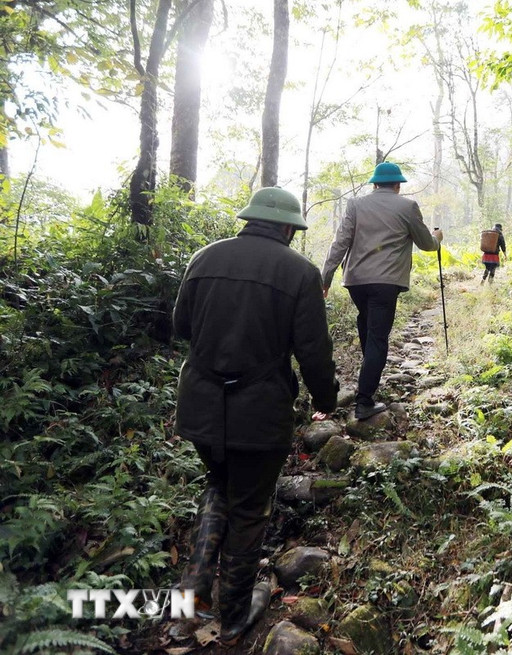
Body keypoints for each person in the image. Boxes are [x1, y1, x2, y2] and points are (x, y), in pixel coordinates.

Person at [173, 187, 339, 645]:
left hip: (201, 410)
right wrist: (327, 397)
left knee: (219, 482)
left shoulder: (203, 258)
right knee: (249, 507)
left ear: (249, 220)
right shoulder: (300, 272)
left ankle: (190, 596)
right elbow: (313, 353)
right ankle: (233, 617)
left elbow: (181, 328)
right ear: (288, 228)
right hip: (259, 415)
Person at [321, 161, 442, 420]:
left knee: (366, 324)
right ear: (398, 185)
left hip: (355, 282)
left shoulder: (355, 205)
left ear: (375, 184)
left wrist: (325, 277)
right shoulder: (407, 206)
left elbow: (340, 242)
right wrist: (437, 239)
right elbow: (426, 244)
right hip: (385, 282)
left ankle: (369, 373)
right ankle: (364, 401)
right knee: (377, 336)